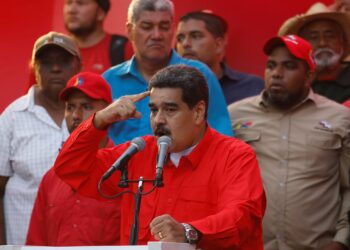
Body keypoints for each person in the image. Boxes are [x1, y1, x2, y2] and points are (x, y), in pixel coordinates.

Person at [53, 65, 266, 249]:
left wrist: (188, 232)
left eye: (170, 110)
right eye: (154, 110)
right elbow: (70, 169)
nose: (158, 120)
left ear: (198, 112)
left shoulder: (235, 156)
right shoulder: (137, 152)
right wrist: (100, 120)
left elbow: (242, 217)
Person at [228, 35, 350, 250]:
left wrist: (341, 241)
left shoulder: (339, 118)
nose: (276, 73)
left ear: (309, 75)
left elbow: (348, 187)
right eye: (271, 65)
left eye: (289, 66)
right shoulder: (235, 115)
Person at [102, 0, 233, 145]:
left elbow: (221, 140)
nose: (157, 35)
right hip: (120, 166)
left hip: (184, 166)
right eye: (147, 27)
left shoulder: (199, 75)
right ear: (129, 30)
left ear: (173, 29)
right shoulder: (109, 81)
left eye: (164, 27)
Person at [0, 32, 81, 245]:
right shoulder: (12, 117)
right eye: (46, 63)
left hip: (77, 243)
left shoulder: (90, 115)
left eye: (63, 62)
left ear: (77, 66)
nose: (55, 69)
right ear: (34, 69)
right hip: (22, 243)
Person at [26, 72, 121, 246]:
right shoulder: (51, 178)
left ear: (110, 111)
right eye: (70, 107)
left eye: (86, 106)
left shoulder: (124, 171)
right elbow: (36, 242)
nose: (76, 115)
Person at [176, 10, 264, 105]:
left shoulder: (252, 87)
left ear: (219, 44)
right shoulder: (164, 88)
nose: (185, 44)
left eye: (196, 36)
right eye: (180, 38)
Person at [278, 2, 350, 103]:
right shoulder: (295, 83)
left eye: (330, 36)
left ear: (342, 41)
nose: (322, 43)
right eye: (313, 37)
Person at [64, 0, 133, 74]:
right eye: (68, 3)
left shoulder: (125, 49)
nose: (71, 10)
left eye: (81, 3)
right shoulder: (55, 49)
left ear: (100, 13)